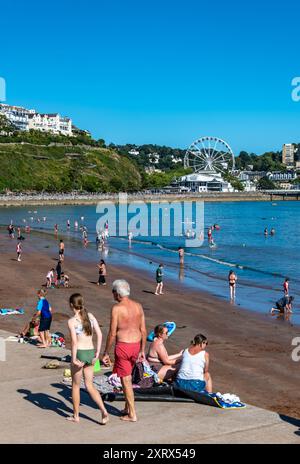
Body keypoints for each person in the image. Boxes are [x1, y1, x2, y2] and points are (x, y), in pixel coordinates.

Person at [102, 280, 147, 422]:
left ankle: (132, 414)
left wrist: (106, 352)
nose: (113, 294)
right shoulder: (138, 306)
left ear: (117, 293)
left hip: (123, 346)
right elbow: (143, 330)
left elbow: (112, 333)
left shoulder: (117, 308)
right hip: (136, 345)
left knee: (126, 381)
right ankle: (127, 408)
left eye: (113, 292)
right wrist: (142, 349)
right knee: (127, 378)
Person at [67, 293, 108, 425]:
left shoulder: (72, 321)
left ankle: (76, 416)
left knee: (76, 386)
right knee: (90, 385)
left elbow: (74, 342)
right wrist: (97, 353)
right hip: (90, 353)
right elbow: (100, 334)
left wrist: (73, 359)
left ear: (71, 305)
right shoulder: (90, 316)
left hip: (79, 353)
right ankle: (103, 410)